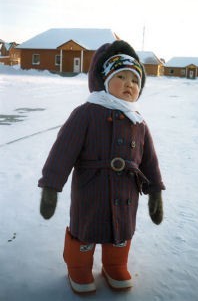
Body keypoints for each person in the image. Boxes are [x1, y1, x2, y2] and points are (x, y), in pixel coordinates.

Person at [38, 40, 165, 294]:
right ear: (105, 81)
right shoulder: (86, 113)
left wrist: (155, 192)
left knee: (121, 231)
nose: (130, 84)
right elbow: (62, 152)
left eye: (135, 80)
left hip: (126, 192)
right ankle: (79, 267)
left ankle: (115, 265)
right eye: (121, 76)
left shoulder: (138, 122)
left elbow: (149, 160)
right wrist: (51, 186)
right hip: (90, 189)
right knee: (85, 231)